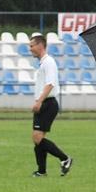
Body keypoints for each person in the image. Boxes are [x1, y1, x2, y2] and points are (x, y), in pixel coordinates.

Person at [29, 33, 72, 176]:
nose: (30, 49)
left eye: (32, 46)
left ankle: (65, 159)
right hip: (45, 102)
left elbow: (50, 84)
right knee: (38, 138)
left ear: (40, 45)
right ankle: (41, 171)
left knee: (37, 137)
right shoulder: (43, 63)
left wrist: (39, 101)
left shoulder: (48, 62)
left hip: (48, 103)